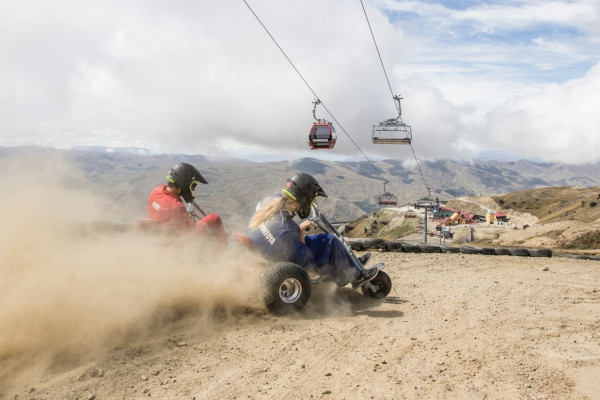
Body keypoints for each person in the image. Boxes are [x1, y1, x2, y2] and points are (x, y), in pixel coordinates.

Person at [248, 172, 378, 288]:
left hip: (266, 248)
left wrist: (298, 231)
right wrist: (301, 230)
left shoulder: (270, 201)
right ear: (303, 199)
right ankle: (355, 276)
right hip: (284, 258)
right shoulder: (287, 230)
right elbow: (303, 259)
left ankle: (348, 262)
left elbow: (287, 238)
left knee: (319, 241)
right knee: (329, 240)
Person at [147, 162, 227, 241]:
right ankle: (224, 250)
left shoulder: (156, 191)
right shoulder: (176, 207)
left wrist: (184, 216)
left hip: (161, 233)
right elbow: (189, 234)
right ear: (184, 183)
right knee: (214, 218)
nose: (193, 189)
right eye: (193, 185)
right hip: (179, 240)